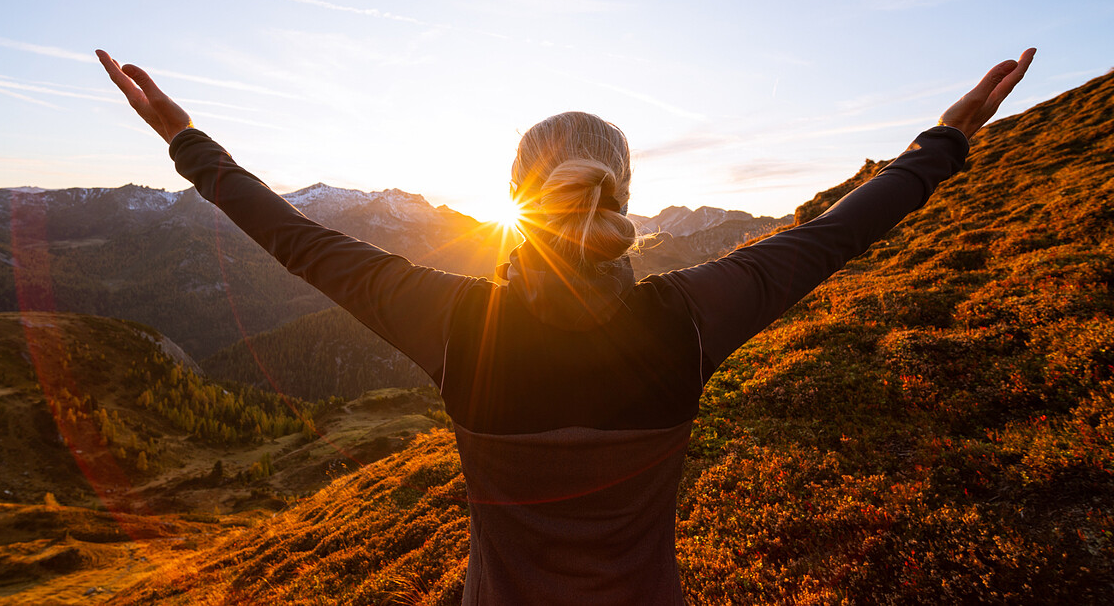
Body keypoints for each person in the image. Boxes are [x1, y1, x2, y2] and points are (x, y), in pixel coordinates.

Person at [98, 48, 1034, 604]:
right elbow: (837, 234)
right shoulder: (696, 317)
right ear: (625, 196)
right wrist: (947, 138)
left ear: (518, 198)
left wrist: (188, 143)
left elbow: (297, 240)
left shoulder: (455, 323)